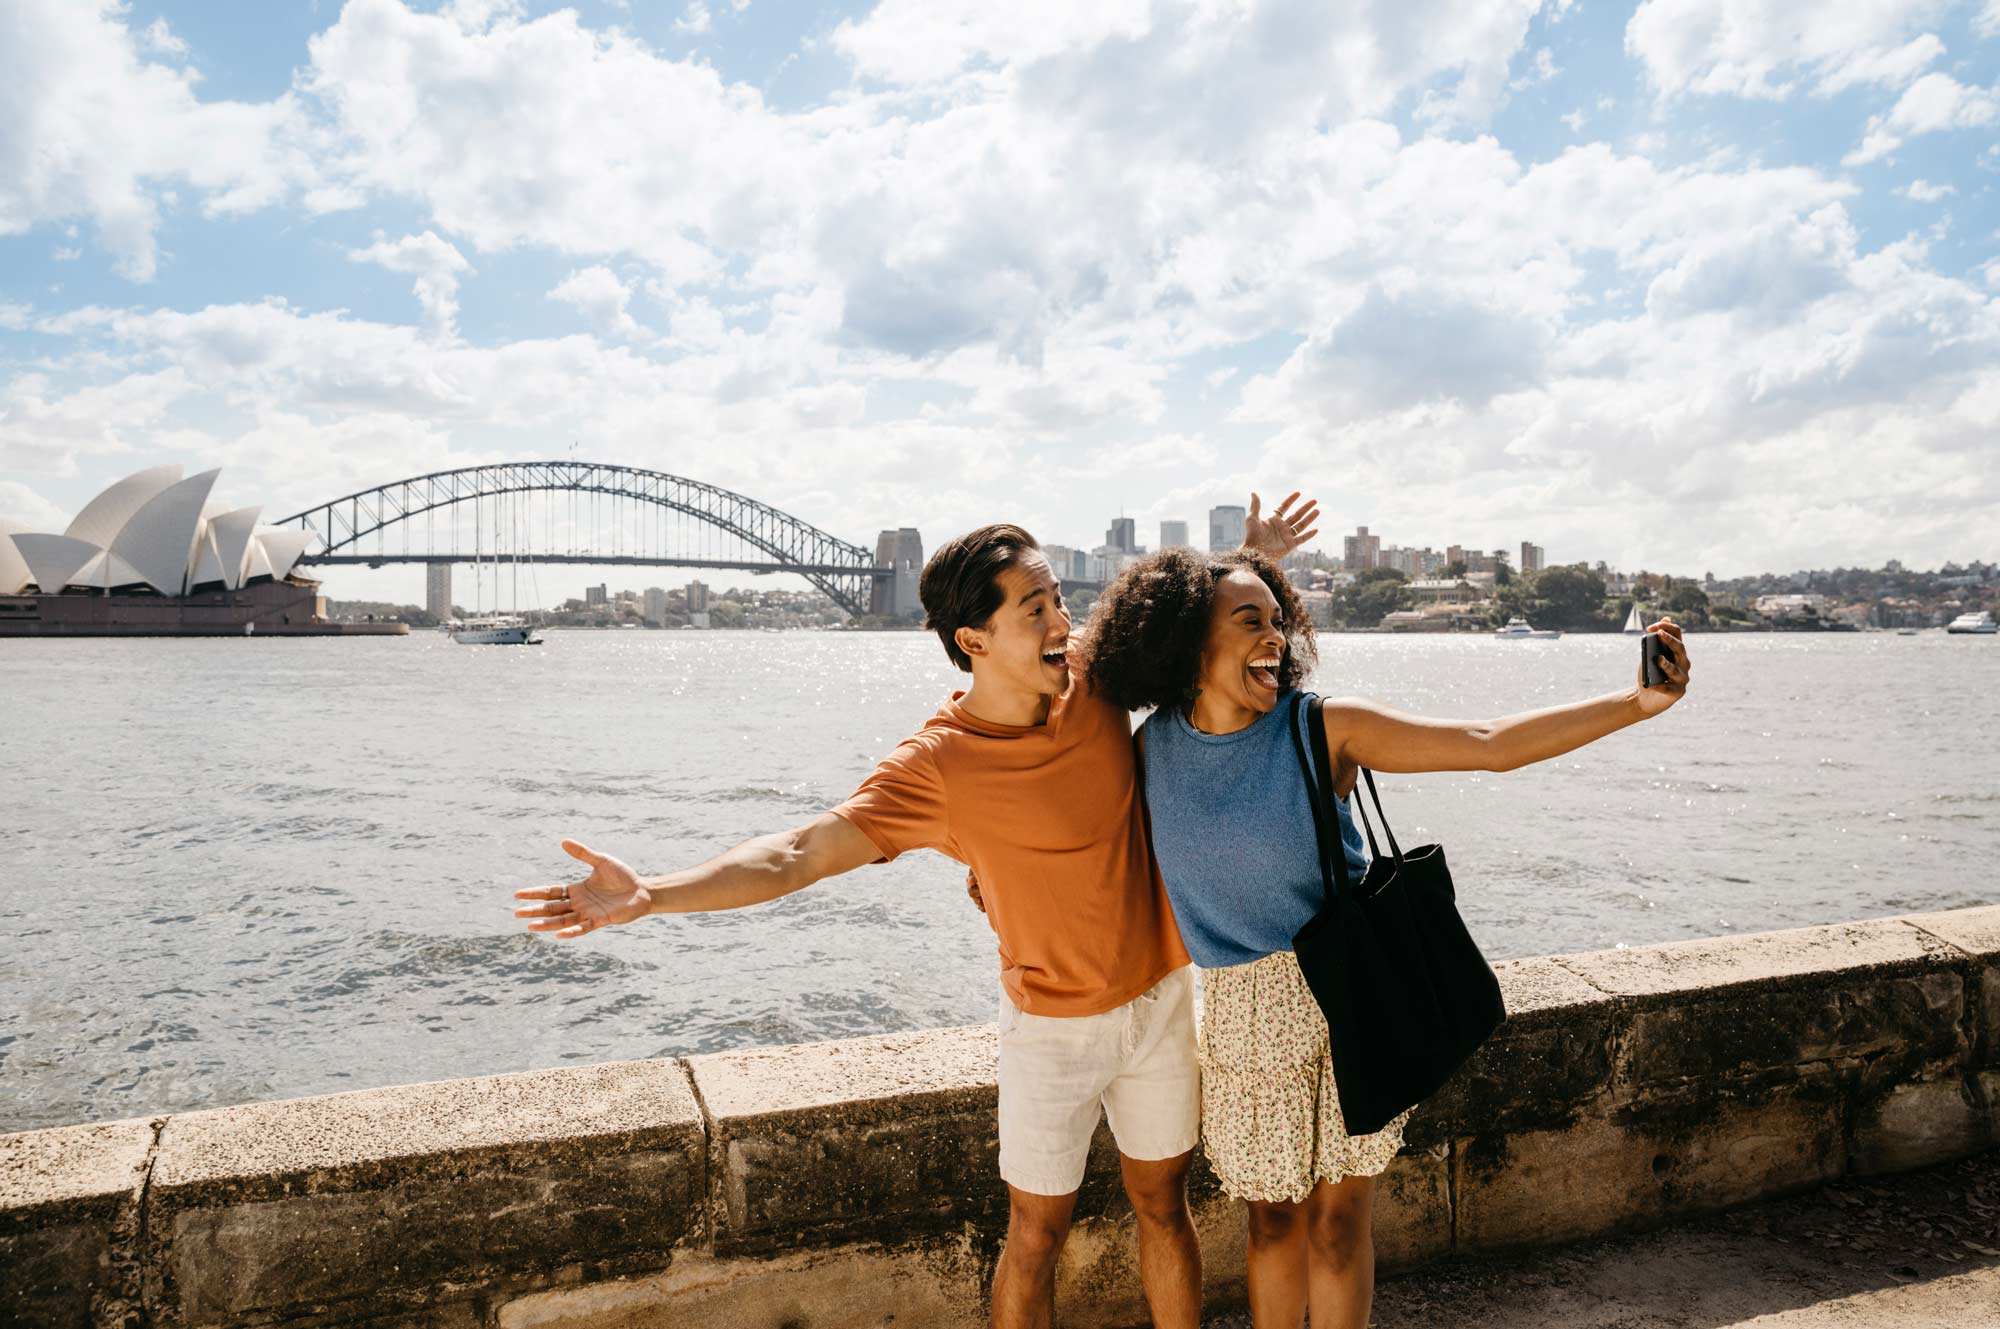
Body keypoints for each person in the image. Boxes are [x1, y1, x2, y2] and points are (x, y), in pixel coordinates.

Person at [511, 497, 1321, 1329]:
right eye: (1035, 607)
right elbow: (798, 852)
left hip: (1158, 998)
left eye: (1059, 602)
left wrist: (1250, 553)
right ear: (974, 640)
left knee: (1164, 1206)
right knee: (1036, 1234)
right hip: (1049, 1027)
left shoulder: (1095, 673)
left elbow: (1193, 616)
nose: (1060, 619)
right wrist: (654, 894)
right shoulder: (936, 765)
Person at [1078, 547, 1691, 1329]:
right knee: (1270, 1224)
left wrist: (1637, 702)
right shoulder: (1149, 749)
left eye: (1278, 621)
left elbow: (1487, 741)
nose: (1275, 638)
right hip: (1240, 1015)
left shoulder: (1322, 726)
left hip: (1347, 994)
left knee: (1338, 1225)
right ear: (1186, 641)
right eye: (1248, 621)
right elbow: (1076, 826)